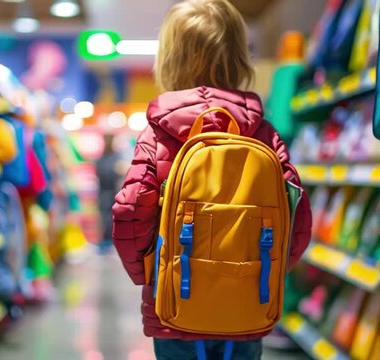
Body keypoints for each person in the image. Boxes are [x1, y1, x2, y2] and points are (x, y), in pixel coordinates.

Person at [111, 1, 313, 359]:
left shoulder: (159, 135)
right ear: (239, 58)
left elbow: (129, 212)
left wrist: (149, 276)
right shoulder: (263, 134)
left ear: (169, 58)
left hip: (176, 306)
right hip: (249, 305)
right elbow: (296, 218)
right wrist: (269, 274)